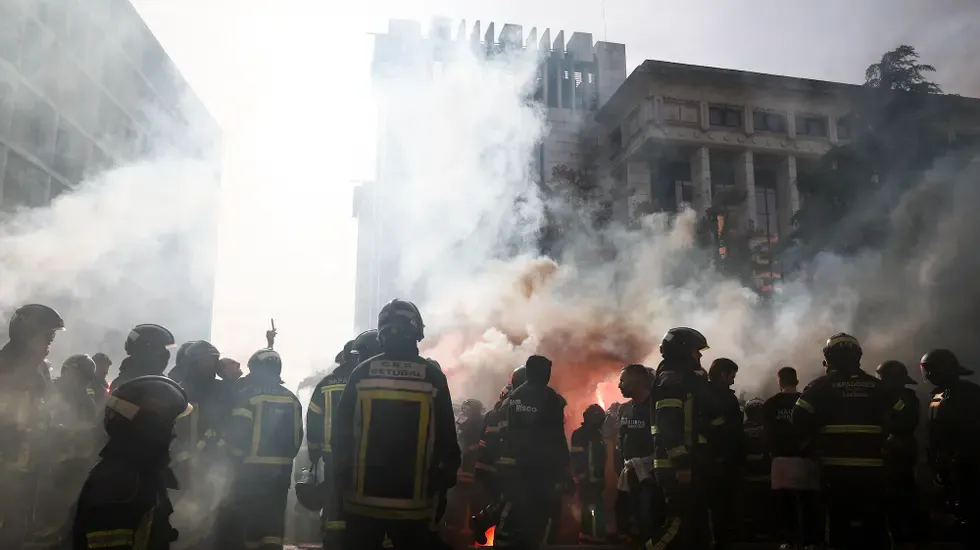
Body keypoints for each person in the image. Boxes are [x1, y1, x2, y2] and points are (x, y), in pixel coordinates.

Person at [332, 299, 460, 550]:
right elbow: (447, 437)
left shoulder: (362, 372)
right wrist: (444, 477)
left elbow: (340, 433)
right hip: (413, 504)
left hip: (361, 500)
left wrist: (341, 475)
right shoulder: (432, 376)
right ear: (416, 332)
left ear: (381, 333)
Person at [793, 333, 908, 550]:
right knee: (875, 522)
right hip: (874, 468)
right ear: (858, 356)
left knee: (838, 522)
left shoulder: (819, 386)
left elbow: (798, 416)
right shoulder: (877, 386)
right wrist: (891, 439)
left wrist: (809, 446)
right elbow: (903, 415)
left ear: (829, 357)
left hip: (834, 468)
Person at [69, 375, 192, 550]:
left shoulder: (139, 471)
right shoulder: (119, 480)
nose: (173, 434)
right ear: (149, 427)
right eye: (168, 425)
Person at [0, 304, 65, 548]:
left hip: (29, 463)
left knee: (21, 524)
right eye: (47, 335)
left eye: (53, 336)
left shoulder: (40, 368)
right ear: (25, 334)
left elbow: (39, 409)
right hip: (7, 466)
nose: (50, 342)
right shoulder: (4, 367)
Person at [226, 348, 304, 550]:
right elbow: (298, 437)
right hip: (281, 470)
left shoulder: (247, 395)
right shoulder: (291, 398)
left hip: (250, 469)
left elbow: (239, 432)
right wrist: (286, 459)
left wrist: (234, 459)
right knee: (274, 518)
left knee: (252, 518)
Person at [647, 327, 714, 550]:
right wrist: (682, 463)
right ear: (683, 351)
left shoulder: (683, 378)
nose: (700, 356)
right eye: (697, 351)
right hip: (675, 466)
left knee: (694, 528)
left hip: (688, 463)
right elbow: (669, 425)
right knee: (676, 526)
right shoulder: (671, 380)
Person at [493, 355, 569, 550]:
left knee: (515, 511)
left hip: (517, 465)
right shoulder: (551, 398)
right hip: (542, 467)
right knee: (539, 516)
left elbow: (507, 431)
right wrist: (564, 469)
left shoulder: (514, 396)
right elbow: (557, 436)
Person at [171, 340, 228, 548]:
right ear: (193, 363)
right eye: (207, 361)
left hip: (211, 464)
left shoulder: (222, 389)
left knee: (209, 516)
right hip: (180, 464)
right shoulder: (178, 389)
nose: (212, 365)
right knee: (179, 514)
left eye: (215, 361)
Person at [921, 349, 980, 546]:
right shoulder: (939, 394)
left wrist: (960, 458)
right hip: (947, 465)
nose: (927, 375)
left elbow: (972, 429)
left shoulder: (968, 394)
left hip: (967, 466)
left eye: (928, 369)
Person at [305, 338, 360, 550]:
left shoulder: (326, 384)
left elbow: (313, 420)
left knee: (334, 503)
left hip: (332, 457)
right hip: (365, 458)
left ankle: (334, 543)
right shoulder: (367, 379)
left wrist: (314, 453)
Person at [762, 366, 820, 549]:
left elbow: (767, 433)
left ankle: (788, 541)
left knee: (784, 503)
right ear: (796, 380)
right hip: (806, 460)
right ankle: (810, 542)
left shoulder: (770, 404)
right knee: (808, 503)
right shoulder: (807, 400)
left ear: (780, 382)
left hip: (781, 460)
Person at [469, 366, 527, 544]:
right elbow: (494, 443)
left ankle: (482, 522)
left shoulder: (498, 412)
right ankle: (485, 525)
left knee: (507, 501)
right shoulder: (506, 412)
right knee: (510, 501)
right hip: (499, 467)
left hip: (495, 466)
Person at [876, 360, 925, 548]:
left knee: (901, 495)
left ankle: (905, 536)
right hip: (894, 451)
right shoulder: (893, 397)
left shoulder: (906, 399)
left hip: (900, 451)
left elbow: (902, 422)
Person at [614, 363, 659, 543]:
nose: (619, 385)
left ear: (637, 382)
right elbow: (621, 438)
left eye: (623, 381)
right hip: (629, 471)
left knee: (649, 516)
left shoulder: (655, 407)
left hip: (651, 474)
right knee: (627, 517)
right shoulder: (624, 409)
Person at [705, 358, 743, 550]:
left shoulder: (706, 392)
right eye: (732, 376)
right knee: (720, 508)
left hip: (719, 461)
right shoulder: (718, 397)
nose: (733, 381)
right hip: (719, 461)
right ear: (722, 374)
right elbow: (730, 429)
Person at [449, 398, 486, 541]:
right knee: (463, 495)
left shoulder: (477, 423)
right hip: (466, 464)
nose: (464, 413)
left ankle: (466, 527)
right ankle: (462, 526)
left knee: (467, 495)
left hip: (471, 464)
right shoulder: (467, 422)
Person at [571, 403, 607, 544]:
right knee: (591, 506)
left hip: (596, 478)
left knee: (591, 505)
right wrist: (581, 476)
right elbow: (577, 457)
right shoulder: (580, 434)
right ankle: (593, 535)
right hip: (588, 479)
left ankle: (590, 534)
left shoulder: (598, 434)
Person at [740, 398, 772, 542]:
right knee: (766, 504)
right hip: (767, 475)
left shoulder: (741, 428)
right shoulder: (769, 427)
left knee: (750, 506)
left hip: (748, 476)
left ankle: (749, 532)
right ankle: (767, 531)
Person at [110, 324, 175, 390]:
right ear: (145, 351)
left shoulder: (165, 384)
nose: (165, 355)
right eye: (160, 350)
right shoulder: (123, 385)